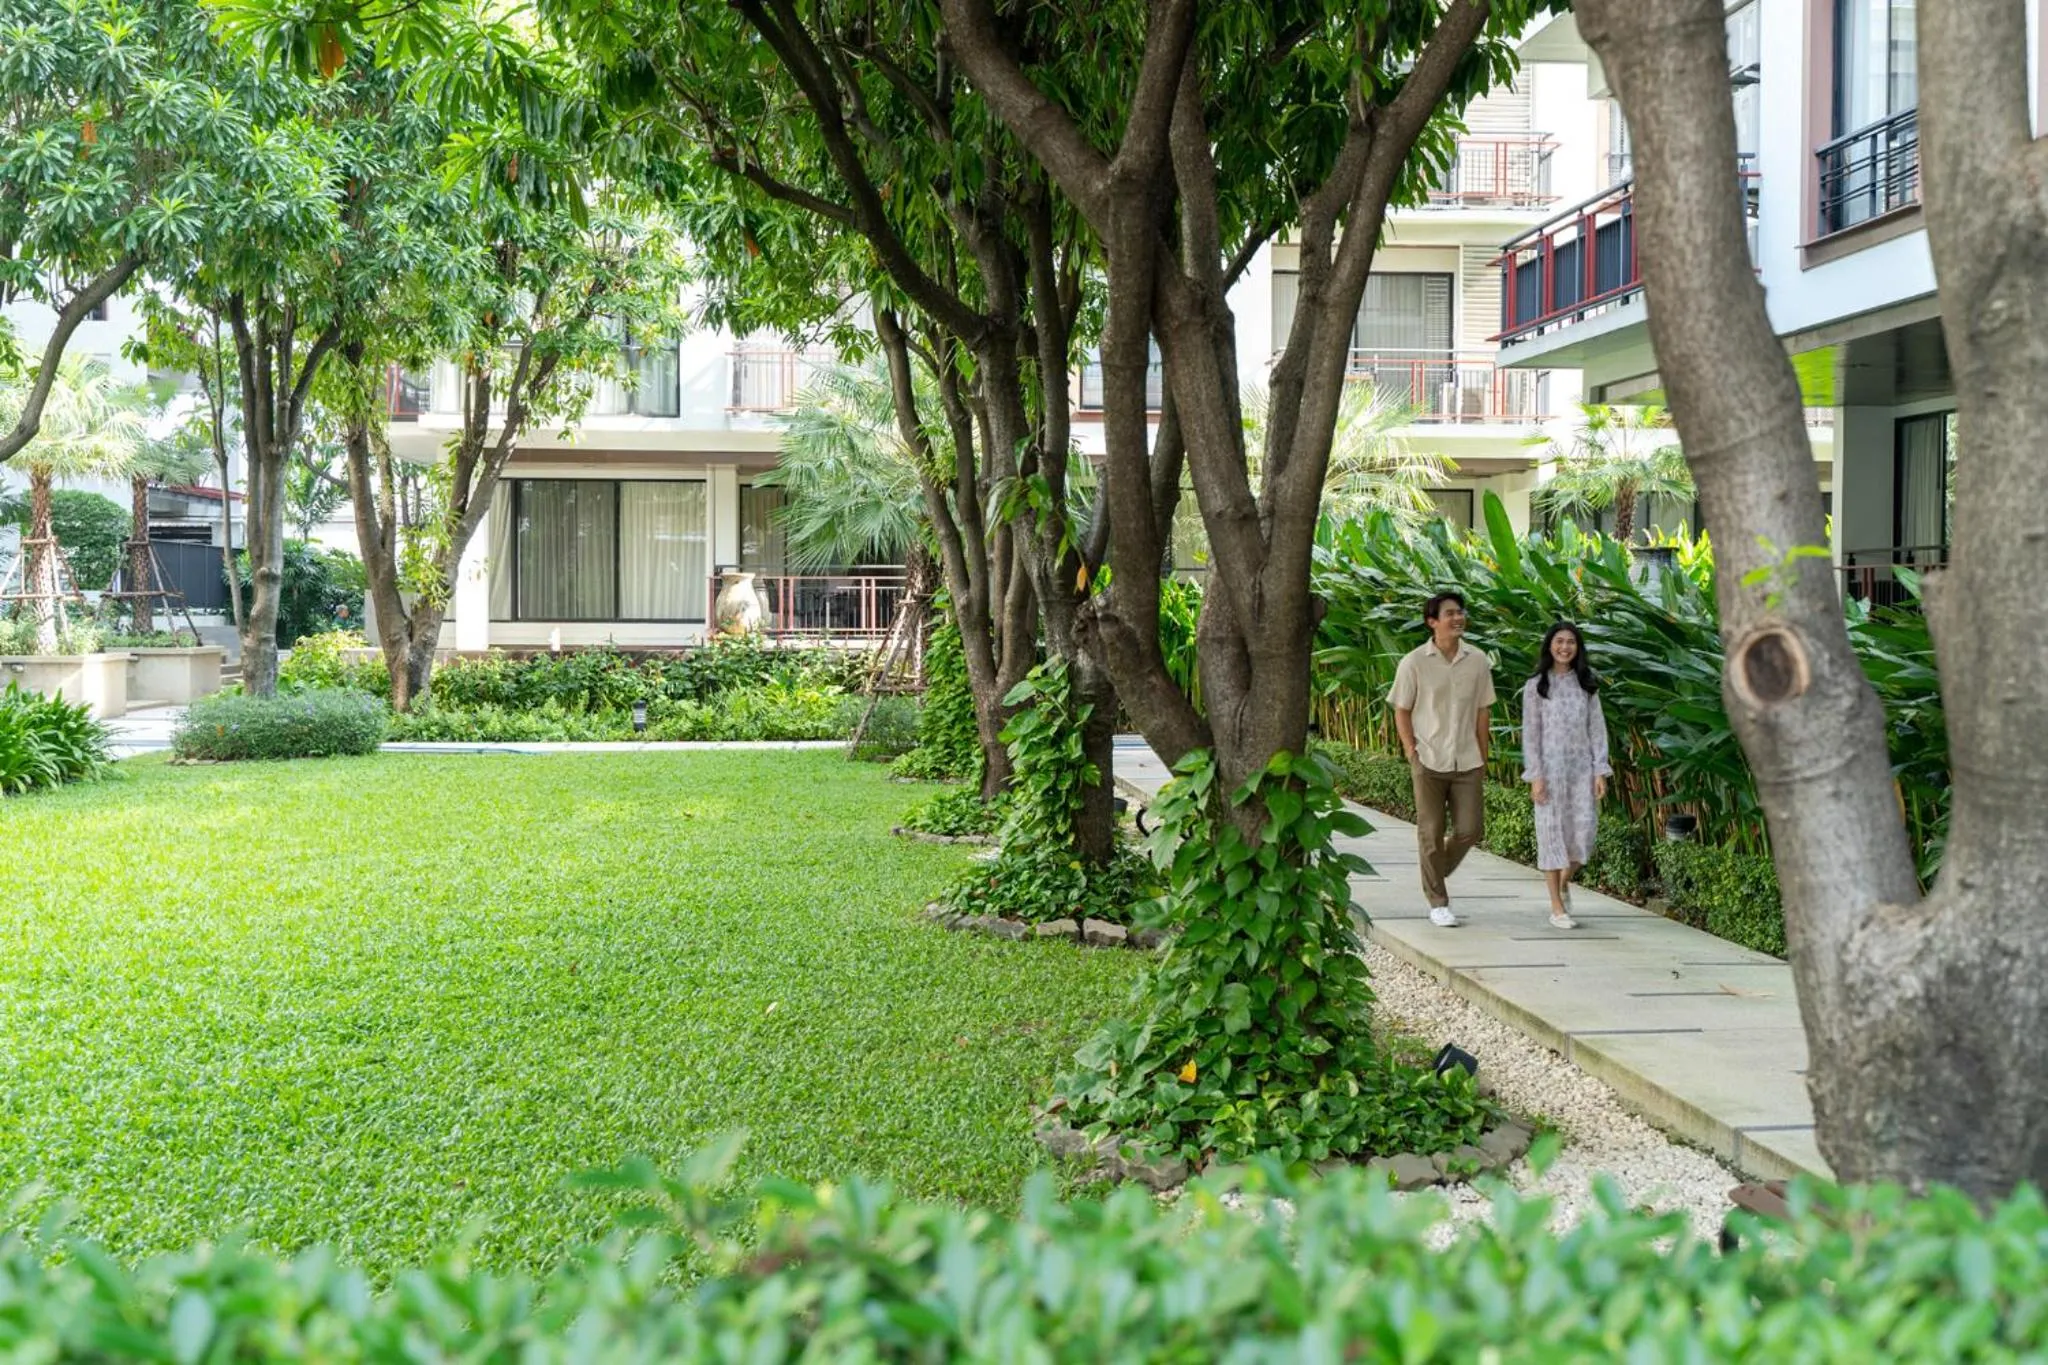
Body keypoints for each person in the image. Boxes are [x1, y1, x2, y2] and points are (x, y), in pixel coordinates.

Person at [1390, 591, 1495, 928]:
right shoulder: (1413, 663)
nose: (1458, 618)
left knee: (1470, 829)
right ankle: (1438, 900)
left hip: (1467, 759)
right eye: (1450, 613)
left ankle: (1432, 872)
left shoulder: (1478, 661)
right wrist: (1411, 752)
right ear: (1432, 622)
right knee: (1431, 831)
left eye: (1460, 612)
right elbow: (1402, 711)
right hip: (1428, 759)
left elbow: (1483, 712)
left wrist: (1483, 755)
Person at [1521, 621, 1612, 930]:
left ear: (1578, 648)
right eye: (1559, 641)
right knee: (1551, 836)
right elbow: (1531, 734)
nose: (1564, 647)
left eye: (1570, 642)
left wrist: (1600, 769)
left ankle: (1563, 881)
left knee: (1583, 837)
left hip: (1581, 772)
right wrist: (1535, 775)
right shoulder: (1537, 686)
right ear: (1549, 645)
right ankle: (1557, 908)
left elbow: (1597, 729)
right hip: (1549, 772)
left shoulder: (1586, 684)